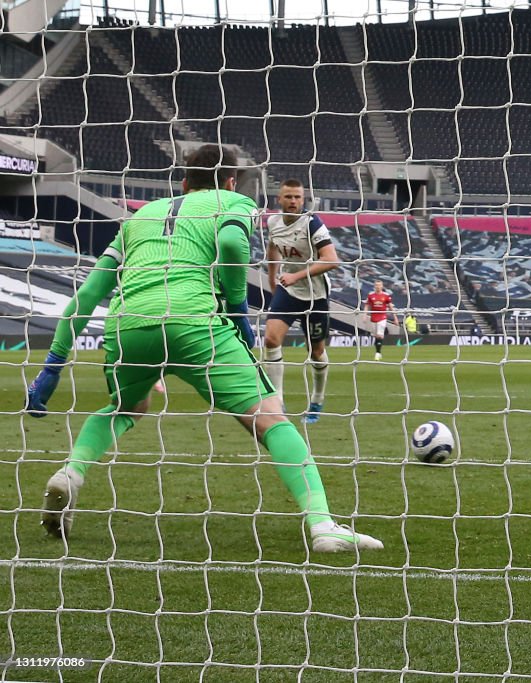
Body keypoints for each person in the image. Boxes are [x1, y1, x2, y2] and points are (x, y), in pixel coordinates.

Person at [25, 145, 381, 553]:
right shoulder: (233, 201)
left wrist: (53, 364)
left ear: (182, 183)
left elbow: (88, 293)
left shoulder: (142, 215)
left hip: (129, 326)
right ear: (230, 181)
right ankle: (322, 525)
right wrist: (237, 311)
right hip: (195, 322)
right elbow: (231, 246)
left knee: (127, 407)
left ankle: (70, 474)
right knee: (269, 417)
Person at [263, 179, 341, 424]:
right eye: (289, 197)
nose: (293, 201)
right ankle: (277, 401)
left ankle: (317, 400)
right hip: (289, 291)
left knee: (316, 352)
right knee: (271, 338)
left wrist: (295, 275)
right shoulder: (272, 222)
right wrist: (273, 278)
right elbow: (273, 247)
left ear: (303, 199)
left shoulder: (312, 224)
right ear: (279, 198)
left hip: (315, 295)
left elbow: (331, 260)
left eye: (297, 197)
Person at [365, 280, 399, 361]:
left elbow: (391, 307)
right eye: (376, 285)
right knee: (376, 336)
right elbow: (367, 305)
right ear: (374, 286)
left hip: (382, 317)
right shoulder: (371, 295)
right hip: (373, 317)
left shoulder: (386, 296)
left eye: (379, 285)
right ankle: (378, 352)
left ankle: (377, 353)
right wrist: (365, 315)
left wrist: (395, 318)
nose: (378, 286)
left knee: (380, 335)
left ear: (382, 286)